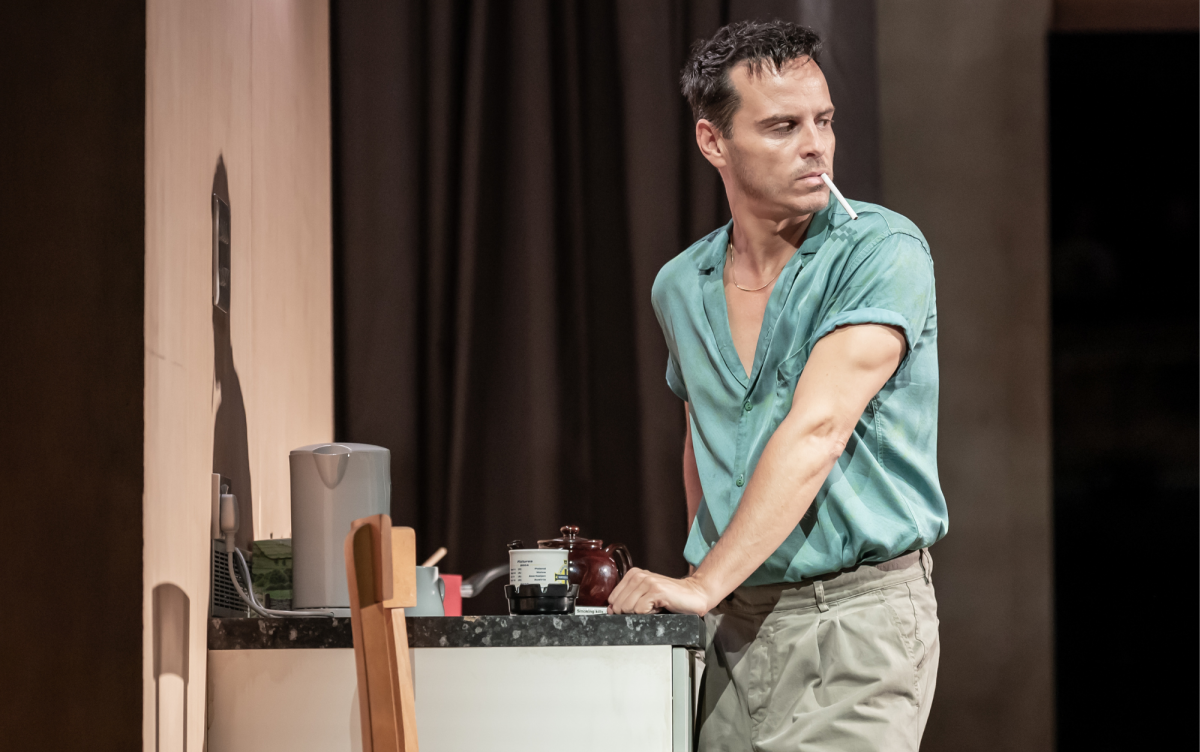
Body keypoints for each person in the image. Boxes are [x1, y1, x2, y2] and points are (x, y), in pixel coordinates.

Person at [606, 20, 947, 751]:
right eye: (784, 126)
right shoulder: (680, 285)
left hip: (855, 621)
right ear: (713, 143)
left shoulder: (881, 250)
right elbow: (704, 439)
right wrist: (709, 582)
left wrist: (700, 585)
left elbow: (817, 431)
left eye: (823, 120)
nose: (815, 144)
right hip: (738, 630)